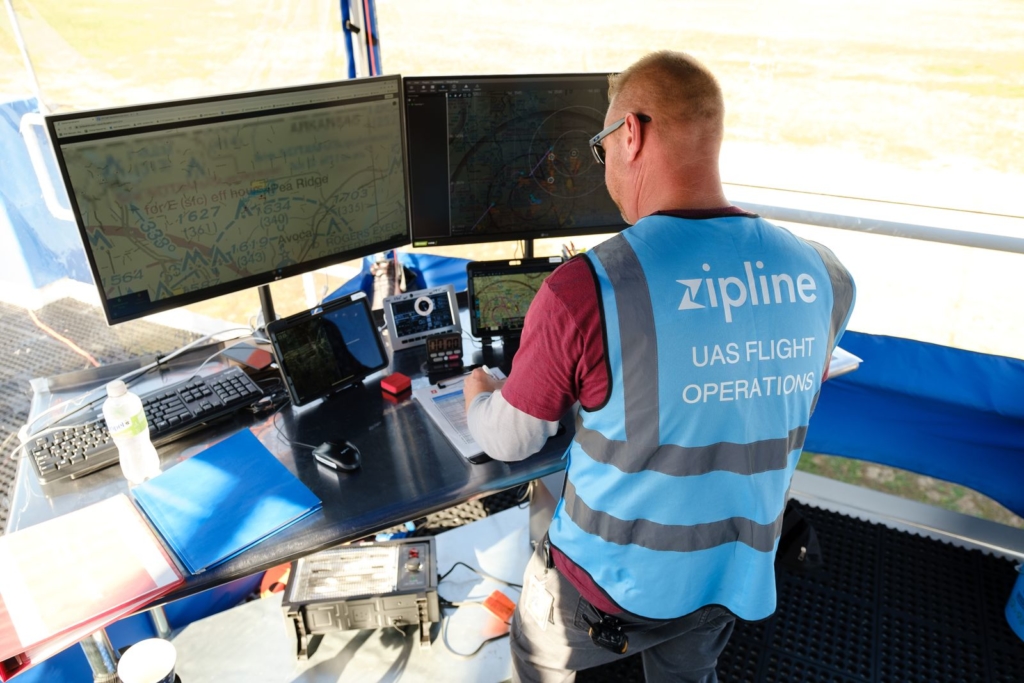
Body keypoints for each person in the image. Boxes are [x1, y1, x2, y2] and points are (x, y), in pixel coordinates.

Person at [464, 50, 855, 683]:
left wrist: (478, 390)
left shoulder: (586, 288)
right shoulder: (825, 273)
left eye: (602, 149)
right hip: (730, 572)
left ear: (631, 134)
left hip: (605, 586)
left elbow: (512, 439)